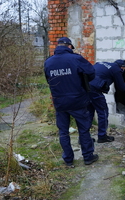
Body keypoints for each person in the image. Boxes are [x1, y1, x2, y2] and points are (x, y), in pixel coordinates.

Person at [44, 37, 99, 166]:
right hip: (78, 101)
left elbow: (48, 79)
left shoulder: (48, 62)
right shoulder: (75, 58)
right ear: (69, 46)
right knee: (83, 129)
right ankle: (88, 157)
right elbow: (91, 72)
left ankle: (68, 160)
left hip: (60, 102)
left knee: (63, 131)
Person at [88, 60, 125, 143]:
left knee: (89, 112)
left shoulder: (101, 63)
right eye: (123, 69)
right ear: (122, 67)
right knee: (103, 112)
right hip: (94, 89)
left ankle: (84, 138)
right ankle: (102, 136)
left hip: (85, 87)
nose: (123, 70)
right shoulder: (116, 69)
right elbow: (122, 87)